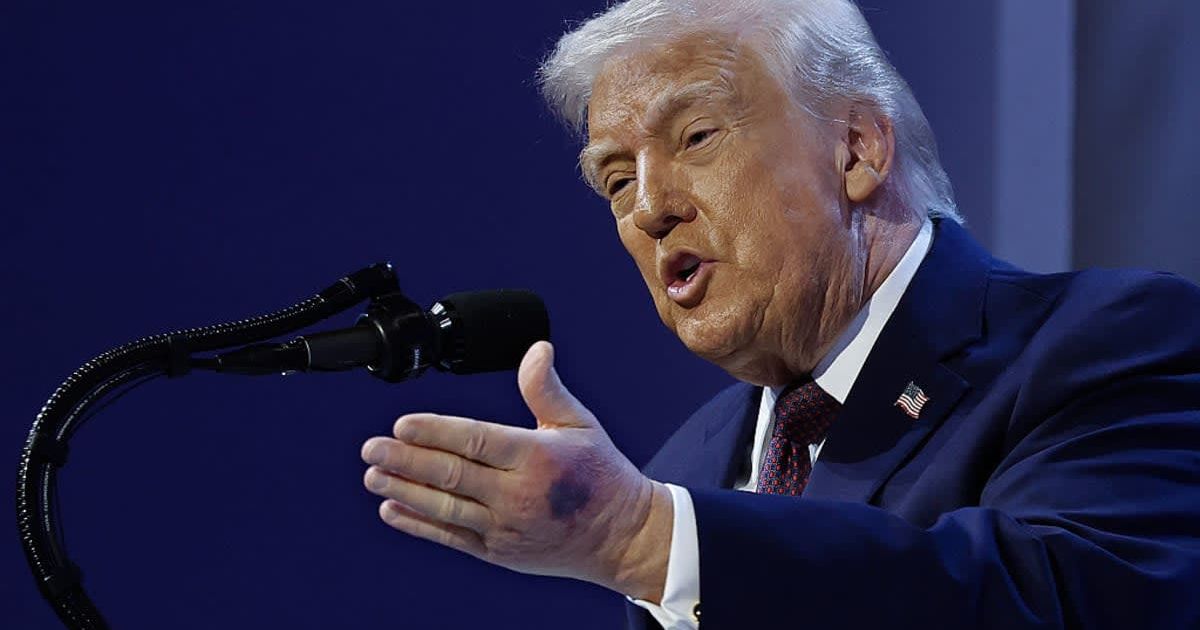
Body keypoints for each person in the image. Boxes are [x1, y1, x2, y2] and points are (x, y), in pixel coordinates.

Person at [358, 1, 1200, 628]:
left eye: (694, 139)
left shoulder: (1104, 341)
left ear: (858, 149)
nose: (649, 209)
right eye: (616, 181)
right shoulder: (683, 468)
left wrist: (648, 542)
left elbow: (1073, 601)